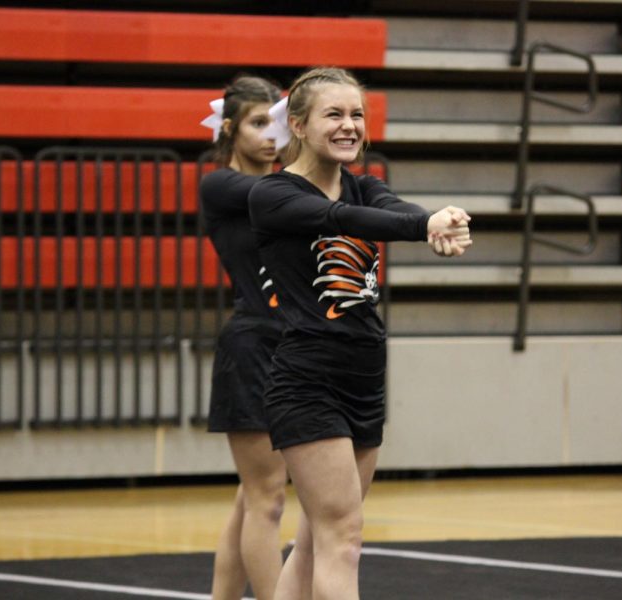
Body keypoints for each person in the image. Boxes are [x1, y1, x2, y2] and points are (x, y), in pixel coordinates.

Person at [248, 67, 472, 600]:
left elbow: (391, 210)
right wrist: (424, 227)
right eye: (334, 115)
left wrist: (437, 222)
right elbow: (342, 218)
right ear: (298, 126)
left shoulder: (366, 185)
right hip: (308, 378)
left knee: (316, 540)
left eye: (357, 115)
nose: (349, 126)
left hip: (364, 376)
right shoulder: (273, 194)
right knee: (343, 538)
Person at [198, 75, 289, 600]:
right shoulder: (221, 185)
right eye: (259, 123)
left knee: (252, 497)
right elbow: (276, 194)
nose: (271, 135)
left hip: (290, 343)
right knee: (267, 499)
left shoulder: (284, 187)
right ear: (229, 128)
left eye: (278, 123)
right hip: (253, 345)